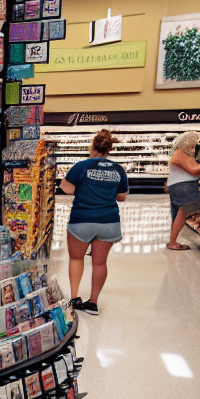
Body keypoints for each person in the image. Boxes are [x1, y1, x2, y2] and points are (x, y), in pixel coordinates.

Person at [59, 129, 129, 315]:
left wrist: (85, 190)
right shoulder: (118, 169)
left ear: (93, 146)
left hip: (82, 219)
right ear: (109, 149)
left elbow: (65, 188)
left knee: (76, 258)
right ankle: (93, 303)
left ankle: (74, 299)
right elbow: (122, 196)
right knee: (99, 263)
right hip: (109, 221)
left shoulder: (82, 166)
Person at [166, 130, 200, 250]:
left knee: (180, 213)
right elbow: (194, 169)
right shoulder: (181, 153)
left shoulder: (182, 153)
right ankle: (173, 243)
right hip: (183, 187)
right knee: (184, 213)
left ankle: (172, 241)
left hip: (180, 186)